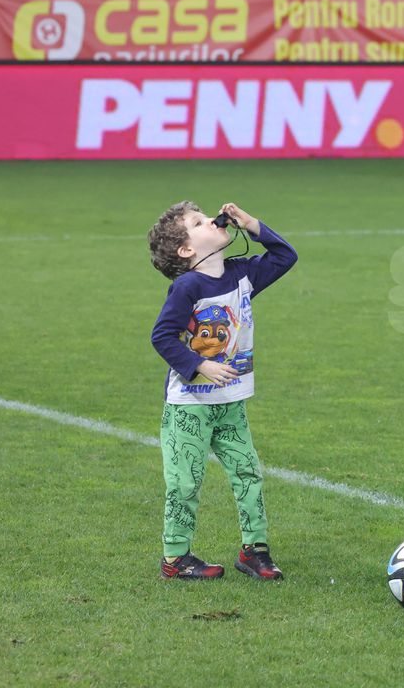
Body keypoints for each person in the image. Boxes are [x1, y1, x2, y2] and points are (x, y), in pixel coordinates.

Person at [147, 201, 297, 580]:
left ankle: (255, 551)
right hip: (189, 407)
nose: (212, 219)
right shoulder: (187, 286)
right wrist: (200, 364)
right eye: (198, 222)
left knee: (248, 473)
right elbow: (162, 336)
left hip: (231, 403)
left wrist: (253, 225)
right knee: (184, 483)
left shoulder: (243, 275)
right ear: (186, 250)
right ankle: (175, 557)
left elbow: (285, 255)